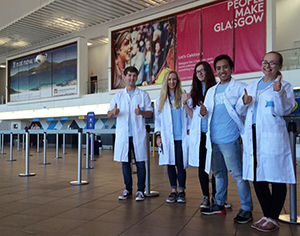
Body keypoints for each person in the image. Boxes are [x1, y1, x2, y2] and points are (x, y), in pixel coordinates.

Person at [236, 51, 296, 232]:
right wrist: (244, 102)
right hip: (253, 137)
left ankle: (273, 217)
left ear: (279, 67)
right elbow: (240, 109)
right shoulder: (252, 86)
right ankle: (266, 215)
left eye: (272, 63)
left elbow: (284, 110)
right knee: (257, 178)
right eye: (265, 62)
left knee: (277, 178)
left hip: (272, 138)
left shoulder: (285, 86)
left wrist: (277, 93)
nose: (267, 66)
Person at [200, 55, 253, 224]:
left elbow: (242, 112)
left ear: (231, 68)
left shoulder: (240, 88)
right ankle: (219, 204)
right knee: (219, 175)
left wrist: (245, 103)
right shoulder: (211, 91)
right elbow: (207, 113)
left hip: (230, 139)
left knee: (237, 174)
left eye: (225, 67)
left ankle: (246, 208)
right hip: (214, 140)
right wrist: (203, 113)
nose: (222, 71)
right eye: (219, 68)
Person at [107, 66, 153, 201]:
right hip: (124, 135)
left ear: (136, 78)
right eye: (129, 75)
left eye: (134, 76)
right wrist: (113, 113)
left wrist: (141, 113)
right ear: (124, 77)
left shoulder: (143, 95)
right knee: (125, 163)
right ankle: (128, 189)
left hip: (138, 134)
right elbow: (109, 113)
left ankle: (140, 190)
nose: (132, 78)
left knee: (140, 162)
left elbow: (150, 113)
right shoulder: (118, 96)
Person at [182, 61, 217, 209]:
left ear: (208, 71)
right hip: (200, 134)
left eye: (203, 70)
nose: (200, 73)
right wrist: (185, 104)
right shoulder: (194, 92)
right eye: (197, 72)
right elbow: (192, 116)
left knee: (216, 166)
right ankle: (205, 196)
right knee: (202, 166)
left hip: (214, 133)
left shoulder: (215, 89)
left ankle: (217, 196)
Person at [155, 70, 189, 203]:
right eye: (169, 79)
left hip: (180, 137)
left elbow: (189, 116)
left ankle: (182, 191)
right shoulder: (161, 99)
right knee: (170, 164)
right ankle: (173, 191)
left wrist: (189, 130)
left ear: (178, 81)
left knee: (180, 165)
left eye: (174, 79)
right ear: (166, 82)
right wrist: (158, 136)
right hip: (167, 138)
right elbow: (157, 120)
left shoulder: (183, 97)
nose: (172, 82)